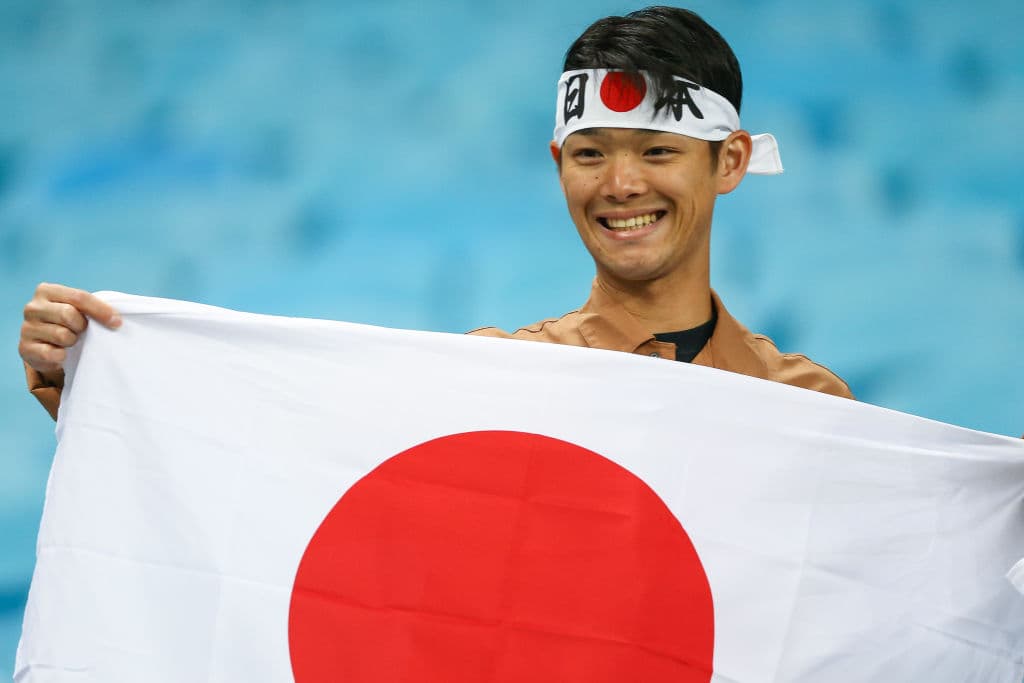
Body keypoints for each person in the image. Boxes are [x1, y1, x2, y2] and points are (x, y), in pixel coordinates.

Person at [18, 6, 851, 422]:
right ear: (558, 165)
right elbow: (285, 459)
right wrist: (93, 379)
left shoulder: (814, 409)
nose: (621, 184)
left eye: (658, 152)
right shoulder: (488, 381)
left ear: (729, 162)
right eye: (591, 153)